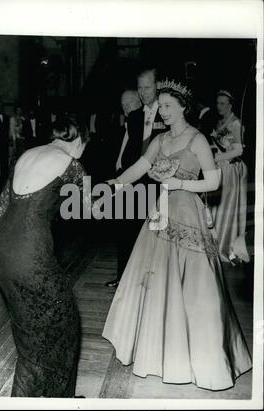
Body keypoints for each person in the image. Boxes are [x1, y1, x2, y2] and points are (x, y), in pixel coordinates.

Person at [102, 80, 252, 391]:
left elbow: (212, 182)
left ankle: (204, 360)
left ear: (184, 107)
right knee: (158, 282)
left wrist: (181, 185)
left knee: (196, 289)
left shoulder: (197, 139)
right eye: (161, 106)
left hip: (188, 213)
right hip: (161, 214)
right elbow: (139, 168)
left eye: (169, 106)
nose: (164, 111)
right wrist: (112, 185)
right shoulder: (158, 140)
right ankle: (162, 354)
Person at [0, 115, 89, 397]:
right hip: (29, 254)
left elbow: (0, 211)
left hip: (1, 250)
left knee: (29, 334)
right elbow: (95, 206)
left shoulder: (27, 155)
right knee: (64, 326)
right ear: (79, 141)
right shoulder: (73, 165)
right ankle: (60, 400)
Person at [105, 69, 166, 288]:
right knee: (124, 229)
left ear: (158, 86)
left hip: (159, 184)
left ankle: (152, 282)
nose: (143, 92)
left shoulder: (167, 114)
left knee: (154, 233)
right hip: (133, 181)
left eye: (147, 87)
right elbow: (129, 148)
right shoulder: (134, 116)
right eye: (139, 87)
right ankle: (123, 278)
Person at [210, 90, 247, 263]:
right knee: (217, 208)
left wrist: (218, 157)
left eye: (223, 103)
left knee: (227, 208)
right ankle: (216, 243)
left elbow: (238, 150)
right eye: (218, 103)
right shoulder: (219, 122)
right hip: (221, 169)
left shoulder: (235, 123)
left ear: (230, 104)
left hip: (232, 169)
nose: (219, 107)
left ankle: (227, 246)